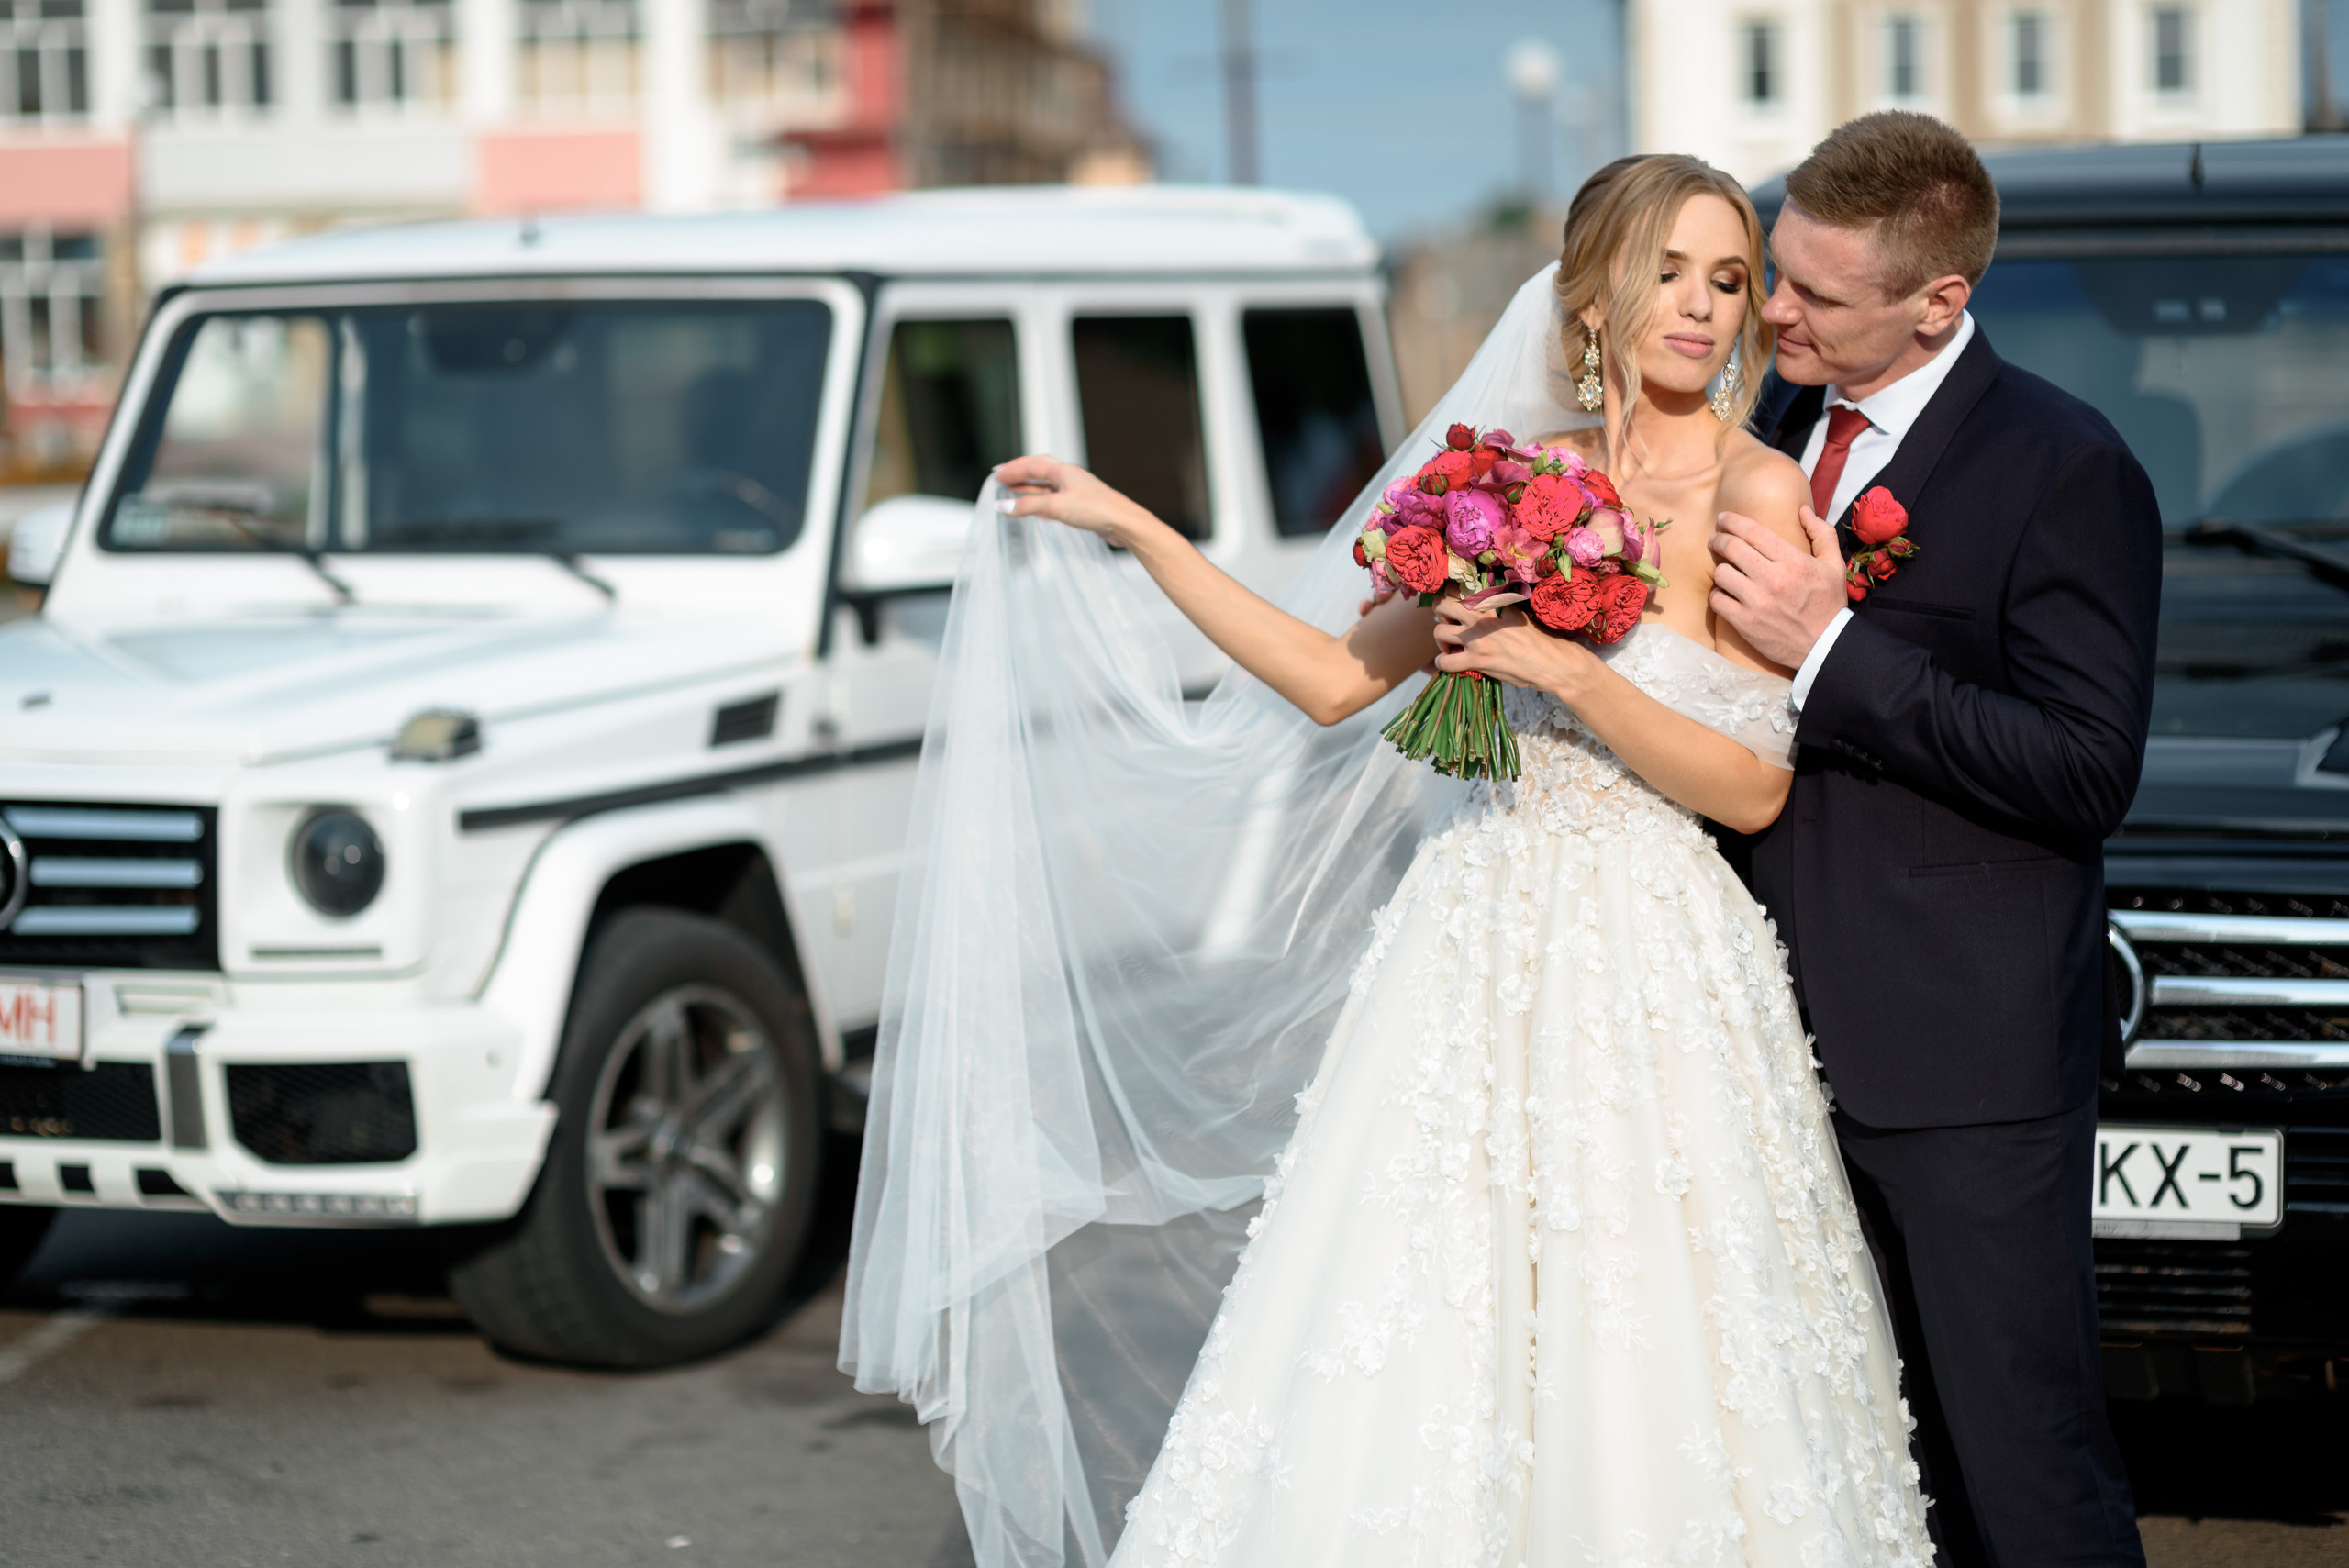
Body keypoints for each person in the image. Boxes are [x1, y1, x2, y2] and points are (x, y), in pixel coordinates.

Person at [842, 154, 1935, 1568]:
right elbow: (1327, 676)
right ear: (1593, 294)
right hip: (1472, 934)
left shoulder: (1757, 489)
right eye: (1669, 271)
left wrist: (1572, 674)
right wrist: (1136, 527)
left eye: (1729, 281)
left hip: (1652, 956)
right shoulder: (1502, 487)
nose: (1704, 308)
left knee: (1651, 1325)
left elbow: (1757, 784)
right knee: (1424, 1312)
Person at [1708, 111, 2158, 1565]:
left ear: (1938, 300)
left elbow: (2086, 769)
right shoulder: (1763, 430)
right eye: (1777, 272)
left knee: (2018, 1475)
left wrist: (1833, 651)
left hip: (1966, 1067)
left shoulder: (2062, 466)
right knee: (1855, 1469)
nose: (1771, 309)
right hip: (1766, 1048)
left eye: (1814, 296)